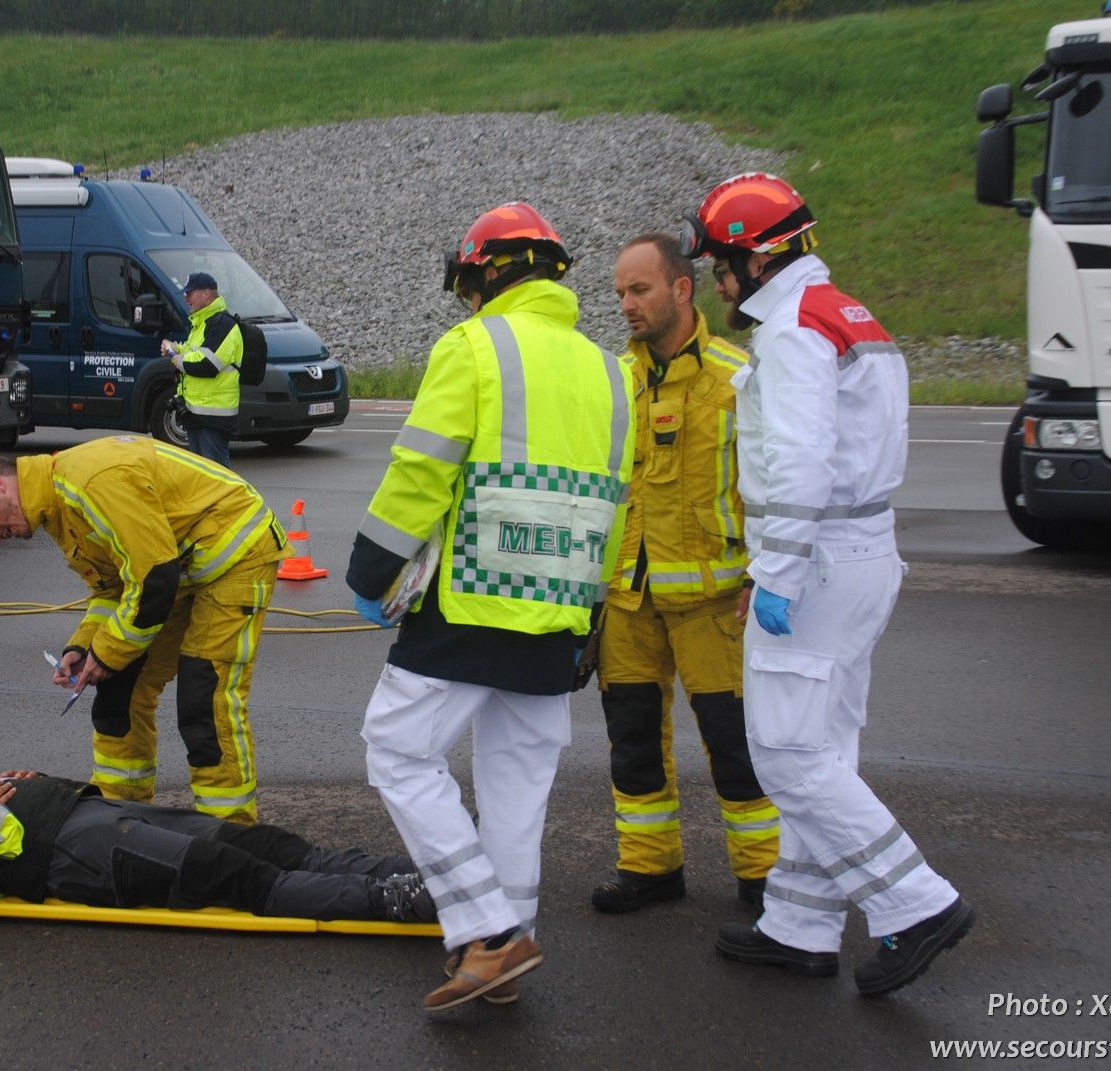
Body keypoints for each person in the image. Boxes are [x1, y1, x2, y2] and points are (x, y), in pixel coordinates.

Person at [681, 173, 974, 997]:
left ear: (757, 257)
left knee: (786, 750)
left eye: (723, 266)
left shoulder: (794, 332)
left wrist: (772, 569)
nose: (720, 283)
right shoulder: (846, 315)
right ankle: (800, 922)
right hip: (856, 552)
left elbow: (801, 460)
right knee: (824, 743)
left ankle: (916, 902)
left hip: (815, 561)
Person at [347, 202, 633, 1011]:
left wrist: (372, 572)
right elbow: (617, 502)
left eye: (469, 283)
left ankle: (487, 929)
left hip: (474, 598)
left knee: (397, 749)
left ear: (487, 274)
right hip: (562, 611)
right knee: (517, 779)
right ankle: (507, 943)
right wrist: (591, 612)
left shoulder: (472, 346)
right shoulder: (611, 371)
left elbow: (421, 471)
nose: (467, 299)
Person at [0, 436, 288, 825]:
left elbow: (154, 580)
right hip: (180, 570)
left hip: (234, 559)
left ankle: (232, 833)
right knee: (118, 691)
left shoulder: (89, 483)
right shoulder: (59, 508)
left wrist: (107, 654)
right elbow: (113, 588)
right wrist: (83, 647)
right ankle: (117, 817)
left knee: (204, 698)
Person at [589, 234, 779, 916]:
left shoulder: (739, 377)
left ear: (680, 289)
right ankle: (649, 866)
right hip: (629, 598)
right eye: (619, 292)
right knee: (633, 739)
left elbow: (772, 484)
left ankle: (763, 878)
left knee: (736, 745)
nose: (626, 305)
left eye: (638, 290)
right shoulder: (613, 381)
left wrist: (770, 572)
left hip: (715, 601)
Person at [0, 771, 436, 933]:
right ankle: (395, 899)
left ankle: (415, 873)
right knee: (234, 875)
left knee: (260, 842)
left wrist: (22, 783)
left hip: (83, 814)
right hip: (71, 853)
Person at [163, 271, 241, 468]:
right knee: (205, 474)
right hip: (198, 414)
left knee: (217, 475)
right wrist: (177, 348)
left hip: (214, 417)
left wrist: (176, 358)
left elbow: (206, 364)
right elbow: (195, 352)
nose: (186, 298)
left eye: (190, 293)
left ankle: (231, 501)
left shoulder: (222, 324)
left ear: (206, 294)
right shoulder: (202, 323)